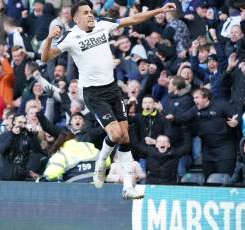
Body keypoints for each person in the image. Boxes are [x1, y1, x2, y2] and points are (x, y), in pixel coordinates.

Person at [41, 0, 177, 199]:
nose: (90, 15)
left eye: (91, 11)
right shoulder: (70, 37)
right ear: (76, 18)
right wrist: (48, 39)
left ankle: (128, 186)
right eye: (86, 12)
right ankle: (101, 163)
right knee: (114, 134)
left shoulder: (103, 23)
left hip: (112, 89)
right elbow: (46, 57)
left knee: (125, 136)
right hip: (94, 94)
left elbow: (133, 19)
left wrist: (160, 10)